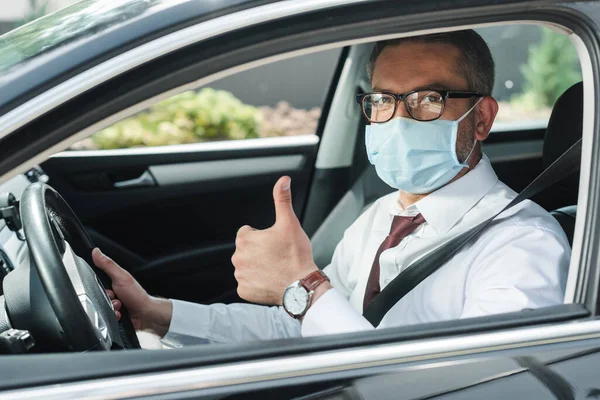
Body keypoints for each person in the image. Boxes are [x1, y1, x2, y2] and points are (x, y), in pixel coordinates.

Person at [92, 30, 570, 346]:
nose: (397, 118)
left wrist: (305, 286)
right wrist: (160, 316)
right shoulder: (379, 217)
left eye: (428, 99)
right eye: (383, 100)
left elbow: (483, 383)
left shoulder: (522, 245)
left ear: (481, 117)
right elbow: (300, 325)